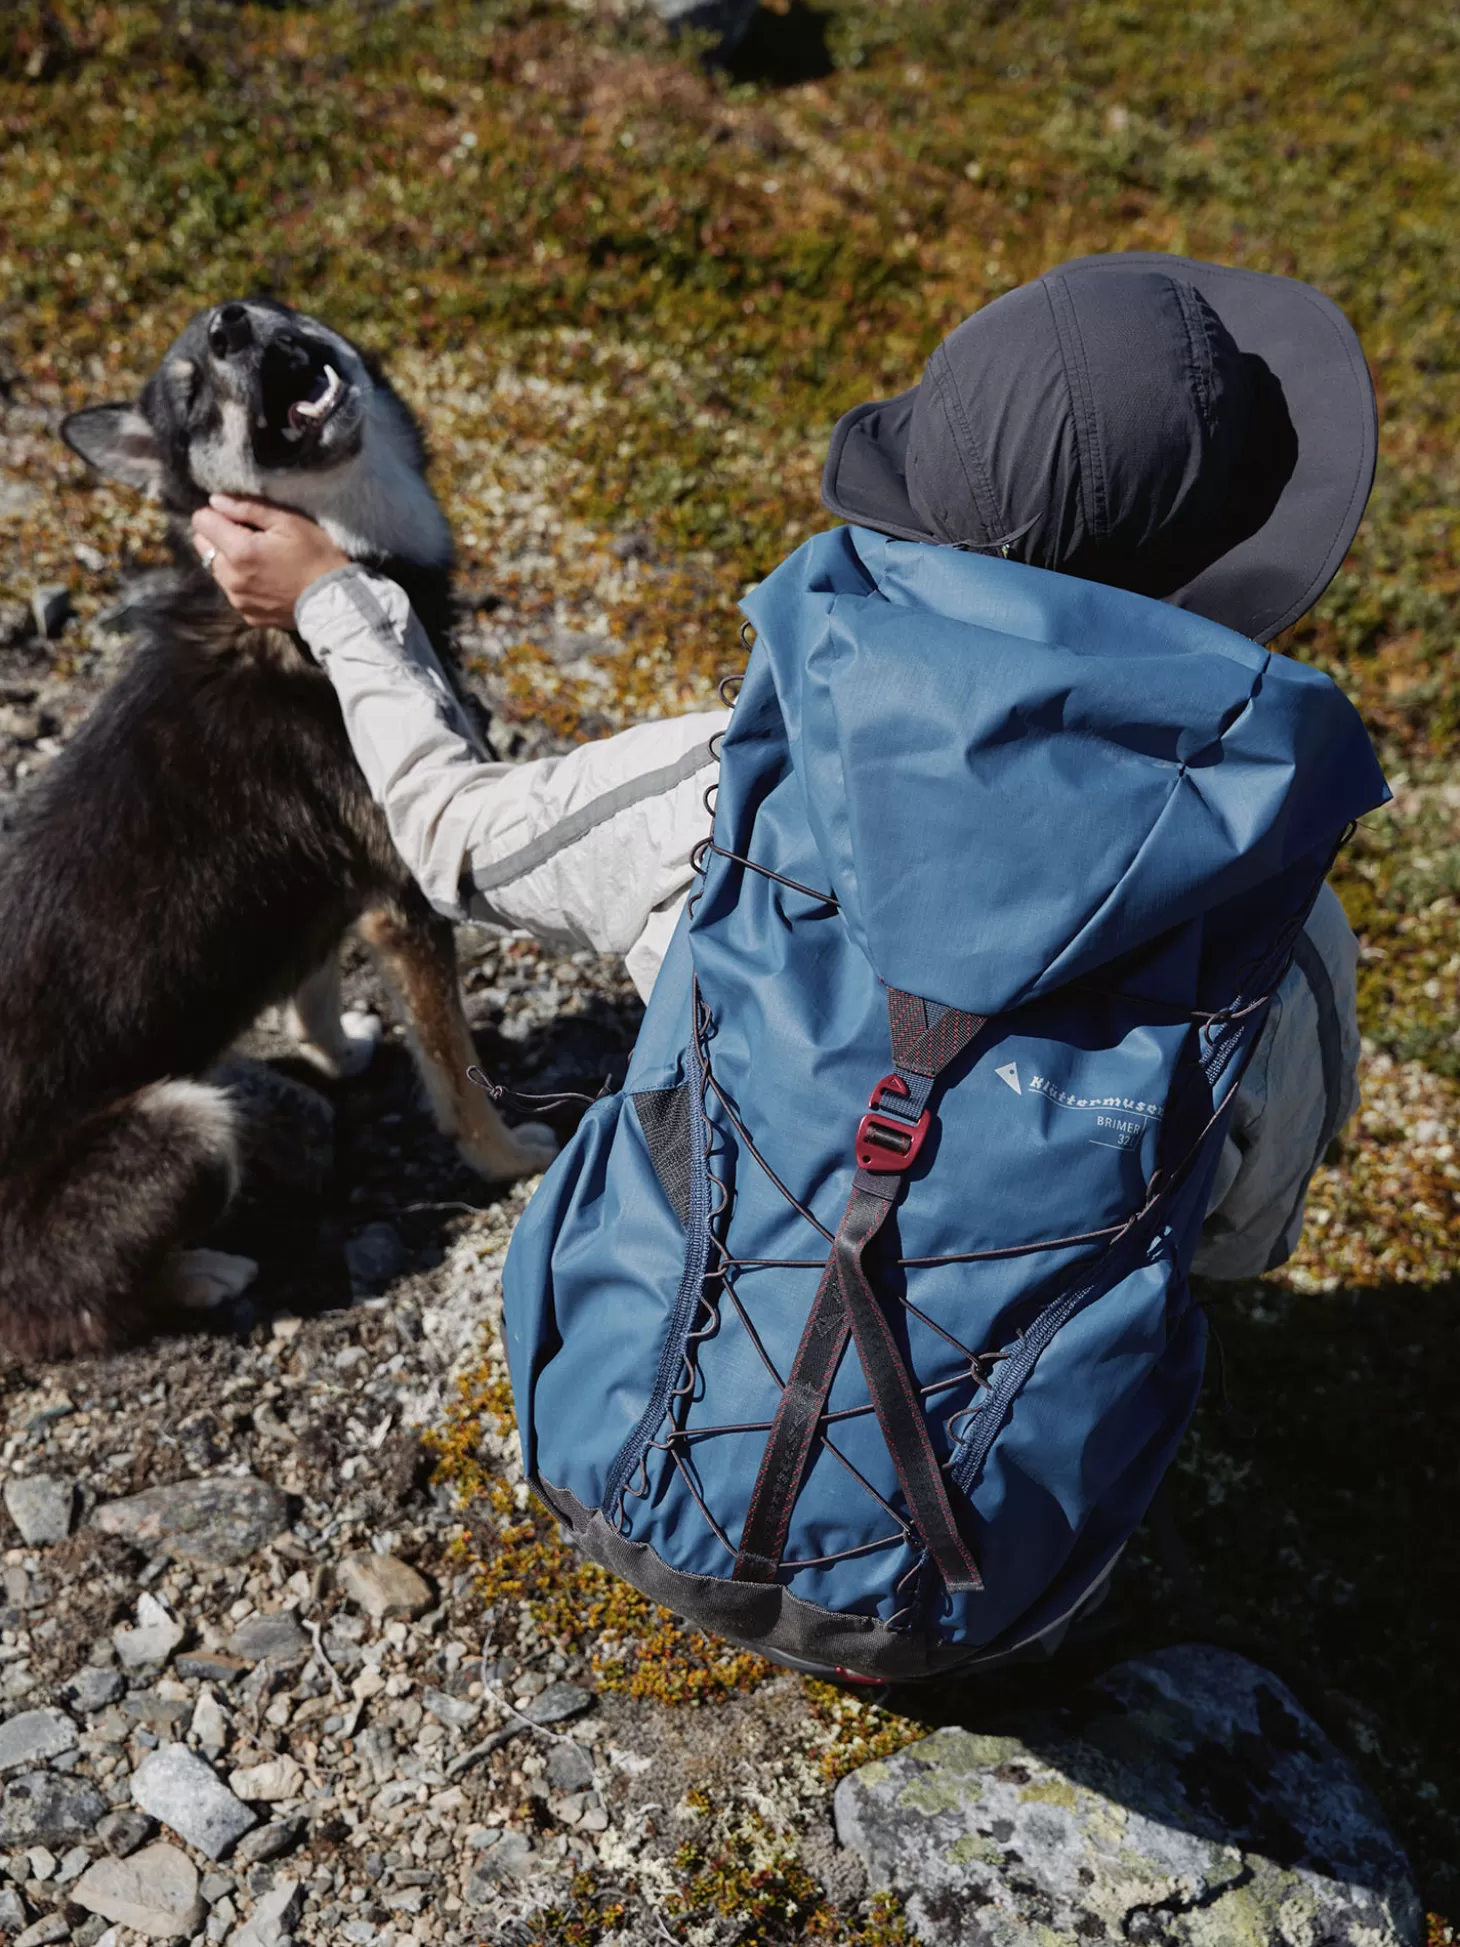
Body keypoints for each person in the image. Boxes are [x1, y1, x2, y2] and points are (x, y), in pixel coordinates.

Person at [191, 251, 1377, 1280]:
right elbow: (1234, 1244)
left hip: (651, 1433)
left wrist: (336, 600)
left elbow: (446, 839)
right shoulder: (1281, 930)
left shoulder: (731, 788)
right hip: (1011, 1517)